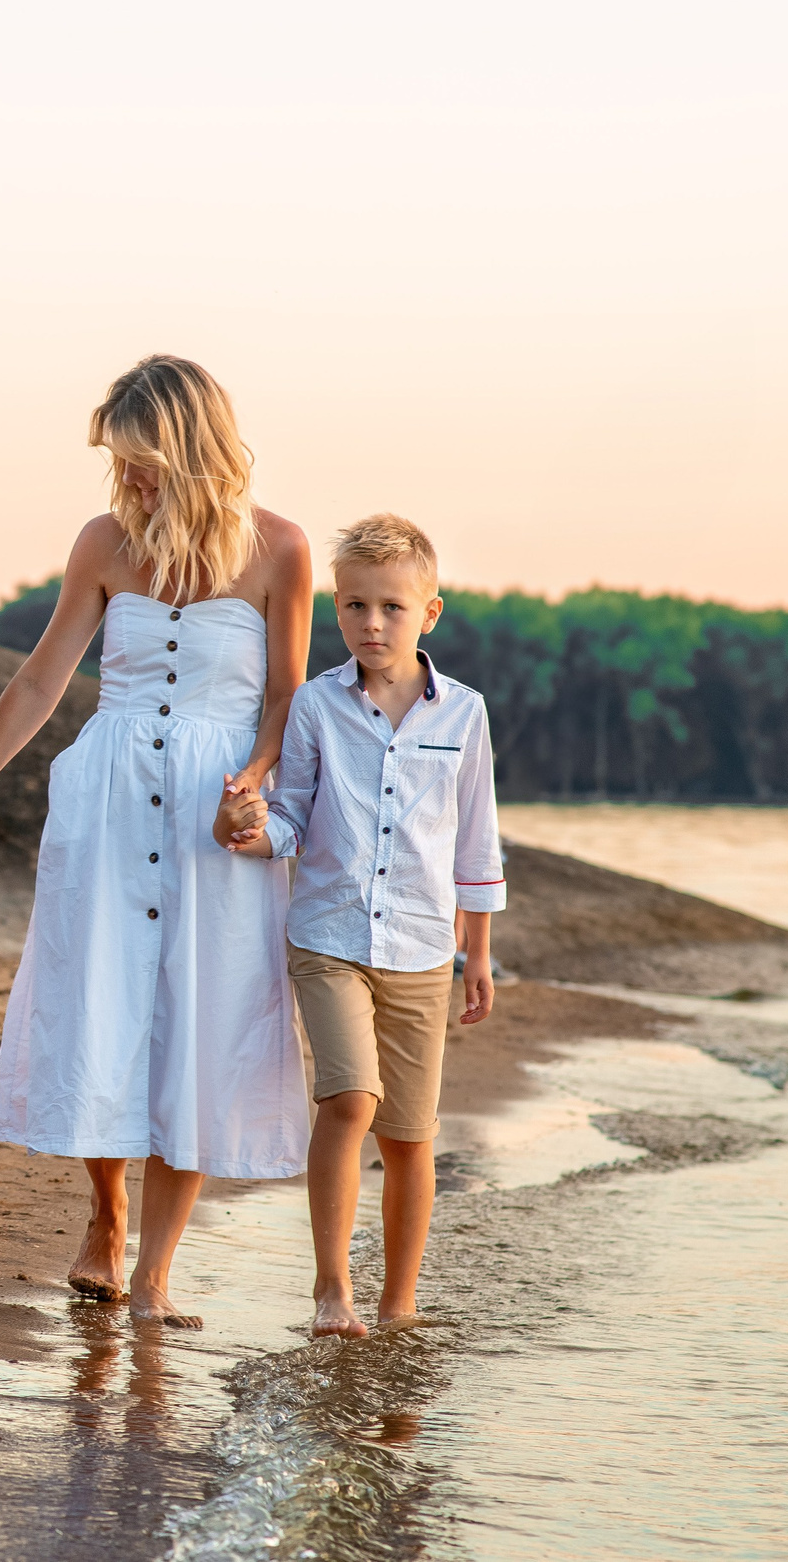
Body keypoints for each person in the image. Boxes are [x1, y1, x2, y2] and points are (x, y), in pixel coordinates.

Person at [0, 355, 312, 1326]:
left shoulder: (280, 549)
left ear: (190, 450)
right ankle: (104, 1212)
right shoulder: (102, 541)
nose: (125, 480)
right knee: (103, 1000)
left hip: (214, 816)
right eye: (117, 462)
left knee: (202, 1020)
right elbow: (42, 679)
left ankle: (156, 1269)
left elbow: (285, 694)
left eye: (140, 462)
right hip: (107, 797)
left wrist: (255, 786)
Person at [218, 513, 504, 1337]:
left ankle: (398, 1300)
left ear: (430, 614)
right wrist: (252, 827)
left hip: (422, 946)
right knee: (350, 1096)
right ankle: (332, 1289)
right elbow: (293, 819)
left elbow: (477, 834)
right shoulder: (314, 706)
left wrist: (476, 950)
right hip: (329, 936)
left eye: (390, 608)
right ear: (334, 609)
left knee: (411, 1136)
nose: (370, 624)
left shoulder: (465, 716)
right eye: (352, 606)